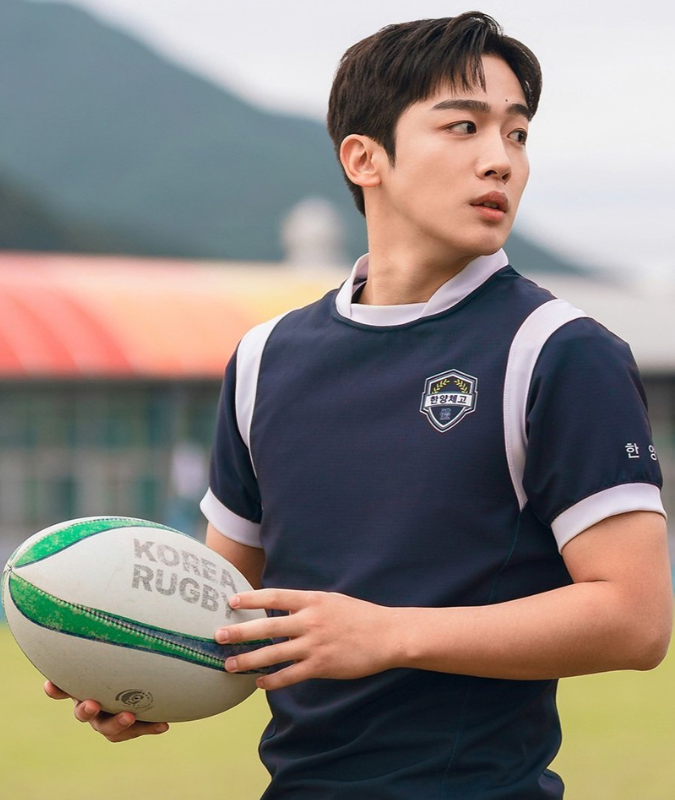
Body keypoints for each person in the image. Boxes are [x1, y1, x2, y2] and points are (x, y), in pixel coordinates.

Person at [47, 12, 672, 799]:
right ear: (364, 158)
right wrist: (128, 665)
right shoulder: (265, 358)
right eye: (463, 126)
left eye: (516, 134)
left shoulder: (557, 350)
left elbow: (635, 619)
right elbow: (224, 607)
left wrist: (388, 633)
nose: (500, 159)